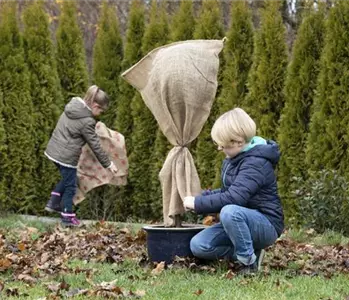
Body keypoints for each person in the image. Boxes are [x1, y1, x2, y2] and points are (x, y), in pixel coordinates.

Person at [183, 108, 284, 274]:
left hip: (266, 224)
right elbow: (227, 191)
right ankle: (252, 254)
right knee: (199, 245)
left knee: (229, 212)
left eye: (223, 146)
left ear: (238, 141)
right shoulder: (234, 159)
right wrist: (200, 196)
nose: (221, 150)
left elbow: (234, 198)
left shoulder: (256, 163)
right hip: (240, 222)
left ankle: (248, 264)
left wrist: (198, 203)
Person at [44, 85, 118, 226]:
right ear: (95, 105)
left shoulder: (73, 106)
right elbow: (95, 145)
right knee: (71, 187)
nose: (100, 114)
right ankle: (67, 217)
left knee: (68, 179)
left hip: (54, 151)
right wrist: (109, 164)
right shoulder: (87, 121)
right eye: (101, 110)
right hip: (66, 156)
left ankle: (53, 201)